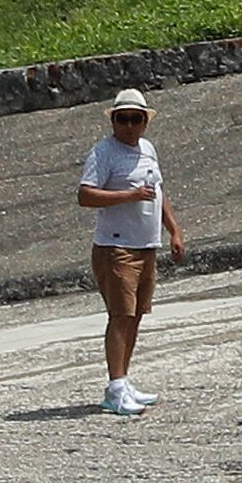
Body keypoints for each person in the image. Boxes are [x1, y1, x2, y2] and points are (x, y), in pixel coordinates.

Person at [75, 90, 184, 417]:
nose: (129, 125)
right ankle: (115, 385)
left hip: (146, 245)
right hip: (116, 247)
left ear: (145, 122)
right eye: (122, 118)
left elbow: (159, 192)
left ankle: (124, 379)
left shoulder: (148, 150)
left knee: (135, 315)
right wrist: (128, 195)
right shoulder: (103, 153)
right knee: (120, 316)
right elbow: (85, 195)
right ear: (113, 120)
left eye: (136, 119)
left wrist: (174, 230)